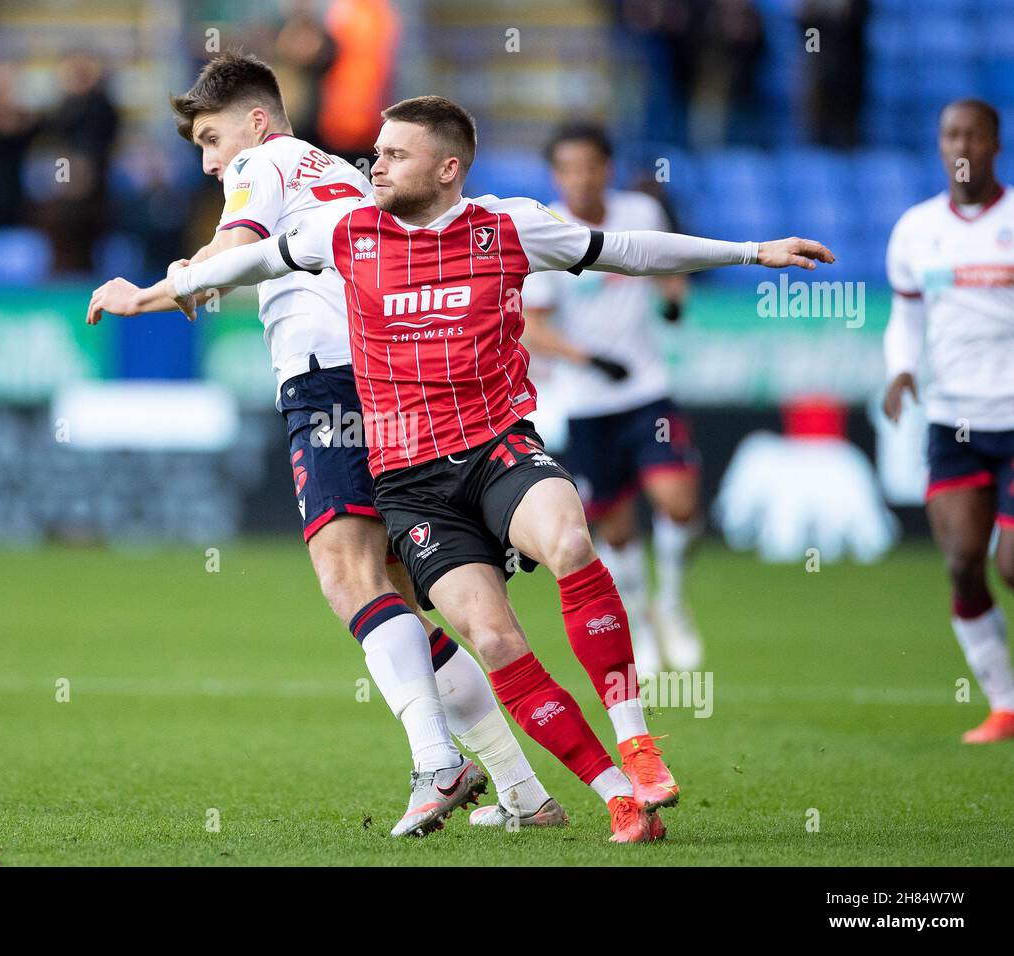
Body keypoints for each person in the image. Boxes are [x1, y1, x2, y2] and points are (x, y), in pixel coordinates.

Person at [89, 95, 833, 841]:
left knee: (572, 542)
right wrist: (150, 293)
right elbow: (247, 260)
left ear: (447, 168)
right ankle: (613, 797)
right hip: (411, 483)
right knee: (495, 637)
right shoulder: (345, 231)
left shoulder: (504, 225)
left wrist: (750, 252)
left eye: (394, 153)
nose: (374, 163)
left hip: (495, 447)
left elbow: (626, 250)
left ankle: (635, 742)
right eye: (375, 150)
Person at [98, 54, 563, 836]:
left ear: (254, 120)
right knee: (400, 593)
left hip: (329, 378)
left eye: (211, 139)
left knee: (344, 574)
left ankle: (437, 764)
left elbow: (238, 241)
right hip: (388, 375)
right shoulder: (345, 171)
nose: (211, 162)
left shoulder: (263, 159)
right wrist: (197, 276)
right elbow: (256, 258)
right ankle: (521, 790)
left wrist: (151, 289)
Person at [521, 123, 703, 675]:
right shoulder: (548, 230)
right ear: (556, 175)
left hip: (646, 390)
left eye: (590, 165)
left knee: (678, 502)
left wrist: (674, 298)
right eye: (568, 168)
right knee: (617, 528)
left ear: (608, 168)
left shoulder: (641, 215)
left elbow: (669, 270)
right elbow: (531, 324)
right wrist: (586, 359)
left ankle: (671, 600)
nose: (580, 177)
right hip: (586, 401)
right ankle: (641, 621)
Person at [883, 98, 1014, 745]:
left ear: (995, 143)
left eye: (973, 133)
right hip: (954, 420)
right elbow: (906, 317)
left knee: (1013, 564)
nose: (960, 143)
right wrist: (901, 368)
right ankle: (1004, 704)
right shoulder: (915, 230)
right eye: (949, 133)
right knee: (964, 561)